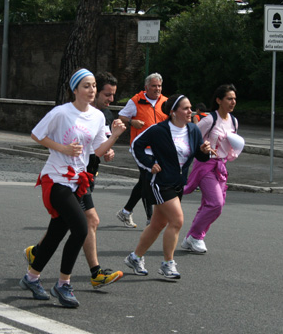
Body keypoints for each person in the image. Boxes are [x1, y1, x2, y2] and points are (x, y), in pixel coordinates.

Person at [19, 68, 125, 308]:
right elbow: (37, 134)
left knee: (56, 234)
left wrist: (115, 136)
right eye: (86, 86)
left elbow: (96, 152)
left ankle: (31, 278)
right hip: (56, 179)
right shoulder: (61, 112)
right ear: (75, 89)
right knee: (80, 228)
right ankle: (63, 284)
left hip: (77, 181)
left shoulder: (98, 116)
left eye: (93, 86)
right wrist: (62, 148)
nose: (91, 90)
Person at [124, 94, 211, 279]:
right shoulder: (159, 130)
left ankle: (135, 257)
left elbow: (198, 155)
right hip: (159, 182)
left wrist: (204, 152)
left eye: (190, 108)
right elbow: (135, 146)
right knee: (177, 221)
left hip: (178, 183)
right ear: (173, 112)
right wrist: (149, 164)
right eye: (185, 108)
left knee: (158, 224)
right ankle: (167, 264)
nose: (190, 111)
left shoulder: (193, 130)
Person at [181, 84, 239, 253]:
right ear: (219, 100)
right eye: (229, 98)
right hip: (206, 165)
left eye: (234, 98)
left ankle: (191, 238)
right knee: (215, 203)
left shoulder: (234, 121)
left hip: (221, 166)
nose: (233, 102)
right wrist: (202, 148)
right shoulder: (209, 120)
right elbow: (191, 136)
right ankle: (196, 236)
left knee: (209, 204)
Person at [116, 73, 168, 228]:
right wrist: (133, 122)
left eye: (159, 86)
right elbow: (121, 116)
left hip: (158, 149)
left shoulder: (165, 102)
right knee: (148, 178)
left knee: (144, 181)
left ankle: (125, 212)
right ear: (146, 87)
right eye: (153, 86)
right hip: (141, 149)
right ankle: (150, 219)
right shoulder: (136, 101)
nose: (157, 89)